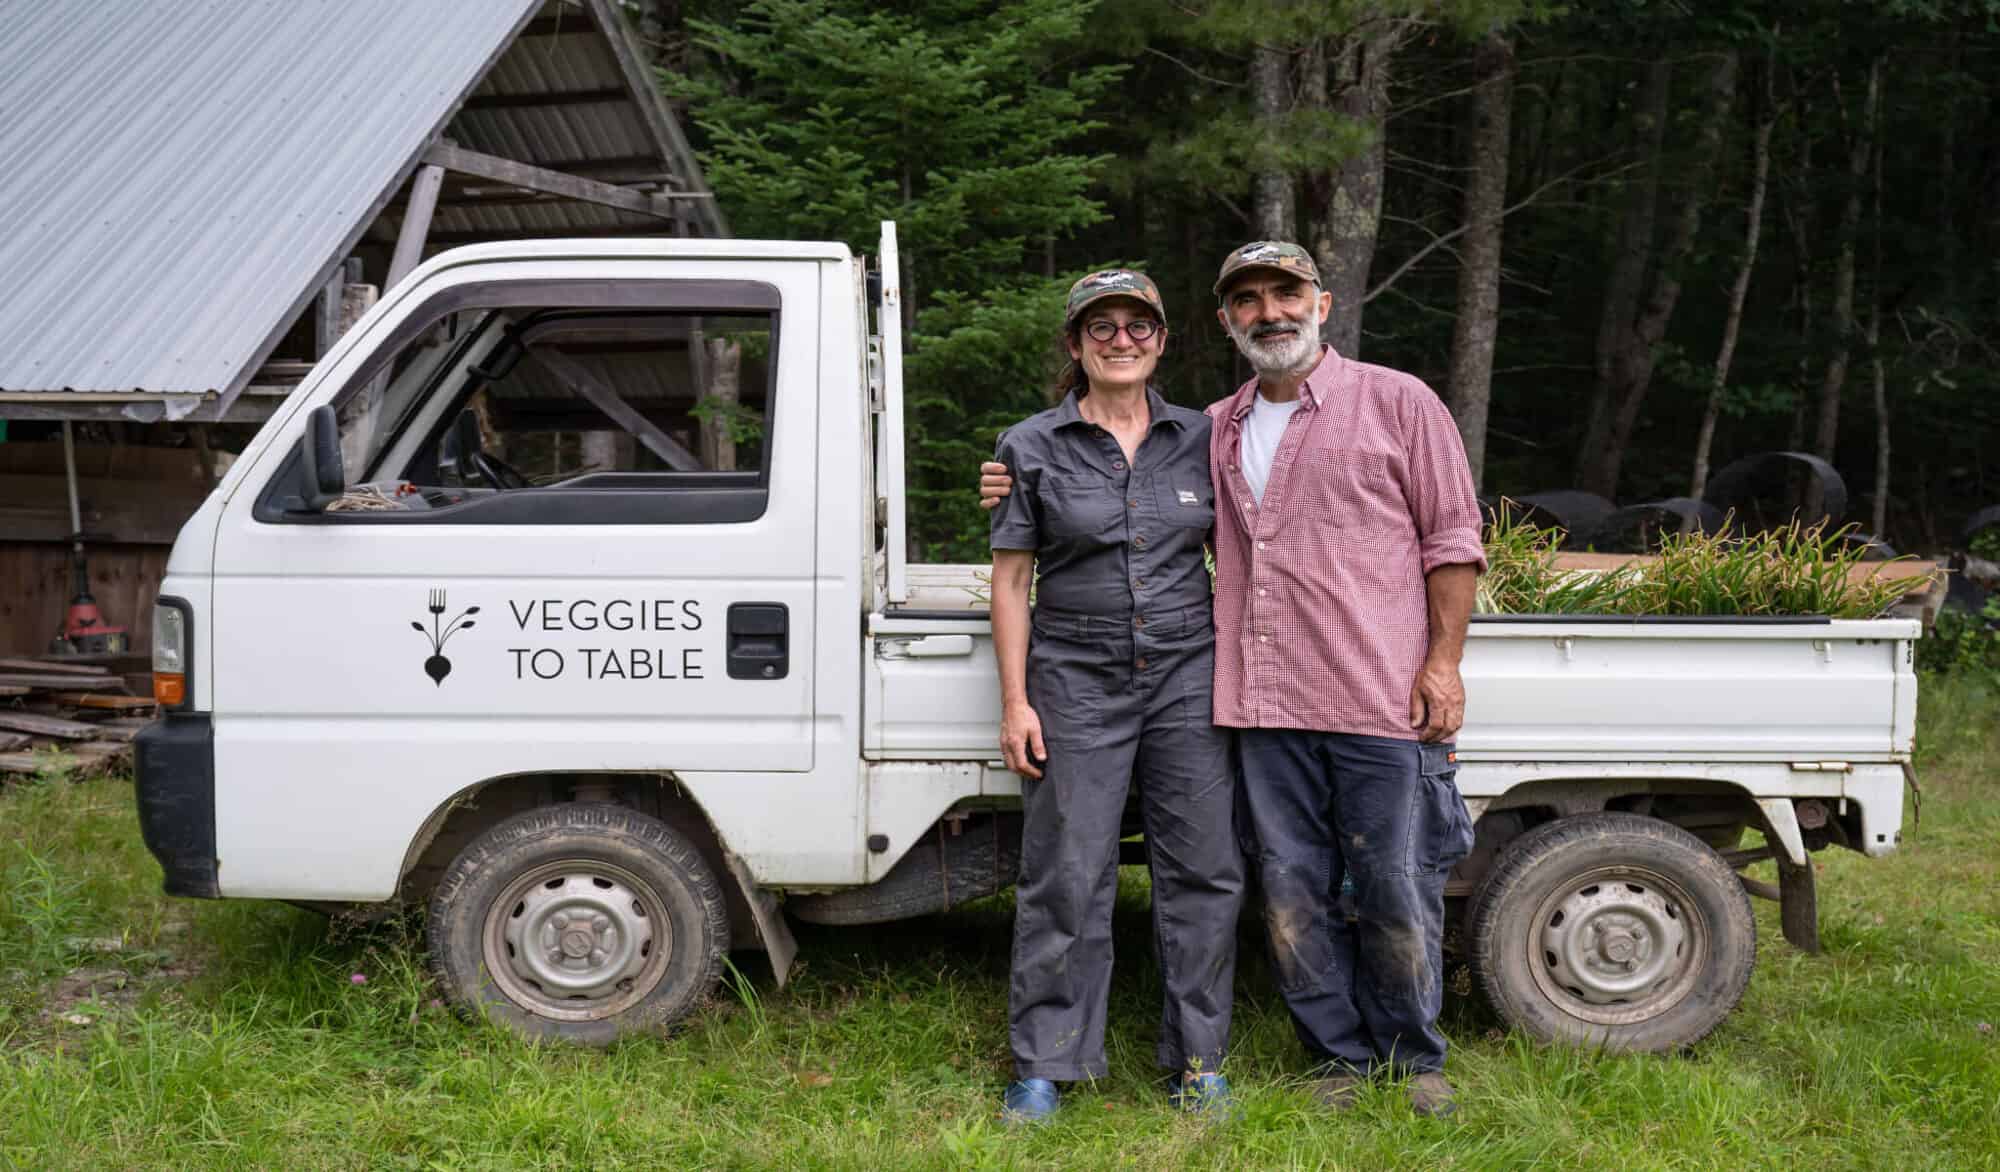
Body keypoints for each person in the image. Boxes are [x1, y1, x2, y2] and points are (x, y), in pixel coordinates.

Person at [982, 242, 1484, 1118]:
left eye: (1284, 293)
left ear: (1321, 303)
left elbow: (1451, 539)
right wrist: (1006, 477)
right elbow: (1050, 525)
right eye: (1247, 300)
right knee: (1229, 885)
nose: (1269, 312)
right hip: (1211, 695)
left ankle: (1344, 1060)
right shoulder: (1160, 433)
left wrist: (1443, 664)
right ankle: (1311, 1057)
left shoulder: (1340, 411)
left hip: (1310, 688)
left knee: (1332, 881)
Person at [986, 269, 1244, 1124]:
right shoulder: (1029, 446)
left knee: (1203, 869)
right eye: (1102, 326)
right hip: (1074, 676)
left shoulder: (1206, 438)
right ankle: (1044, 1065)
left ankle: (1199, 1061)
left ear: (1163, 341)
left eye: (1140, 326)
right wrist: (1016, 701)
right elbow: (1013, 578)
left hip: (1185, 675)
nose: (1122, 339)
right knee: (1067, 869)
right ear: (1075, 344)